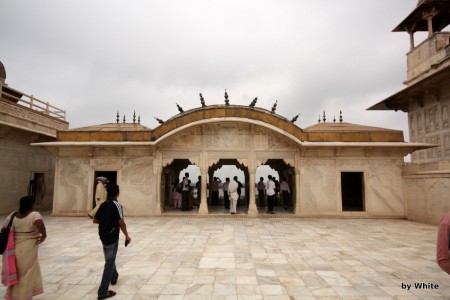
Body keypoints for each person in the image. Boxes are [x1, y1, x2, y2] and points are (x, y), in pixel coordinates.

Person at [2, 196, 47, 299]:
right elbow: (40, 224)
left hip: (14, 248)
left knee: (17, 272)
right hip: (28, 248)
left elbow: (3, 229)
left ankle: (13, 295)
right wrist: (44, 235)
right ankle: (22, 296)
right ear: (32, 204)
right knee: (26, 273)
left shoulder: (12, 215)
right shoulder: (34, 215)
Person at [94, 184, 131, 300]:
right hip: (112, 236)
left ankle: (114, 276)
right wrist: (127, 236)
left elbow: (95, 220)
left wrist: (106, 222)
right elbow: (121, 223)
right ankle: (102, 292)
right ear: (117, 193)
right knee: (109, 261)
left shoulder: (103, 205)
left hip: (102, 235)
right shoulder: (117, 205)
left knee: (109, 257)